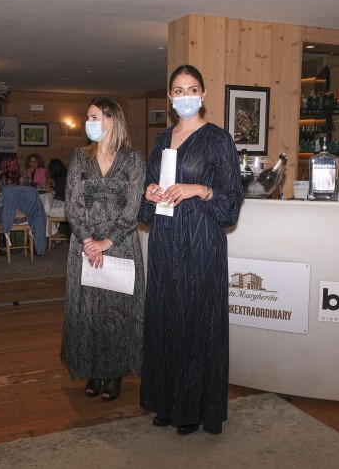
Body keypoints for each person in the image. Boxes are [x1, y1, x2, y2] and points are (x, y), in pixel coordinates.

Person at [138, 65, 244, 435]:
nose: (186, 96)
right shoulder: (161, 139)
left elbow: (231, 200)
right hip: (165, 239)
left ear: (203, 94)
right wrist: (150, 192)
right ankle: (167, 402)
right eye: (179, 91)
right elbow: (148, 191)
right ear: (170, 97)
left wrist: (198, 189)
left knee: (197, 322)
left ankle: (195, 409)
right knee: (165, 319)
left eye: (192, 89)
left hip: (201, 242)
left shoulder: (218, 139)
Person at [61, 97, 145, 401]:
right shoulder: (79, 157)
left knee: (118, 311)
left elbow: (134, 207)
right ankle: (93, 370)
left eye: (94, 117)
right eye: (88, 117)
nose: (89, 122)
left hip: (121, 245)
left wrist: (107, 242)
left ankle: (115, 373)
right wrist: (88, 241)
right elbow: (72, 204)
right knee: (88, 310)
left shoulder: (133, 159)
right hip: (84, 247)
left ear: (112, 120)